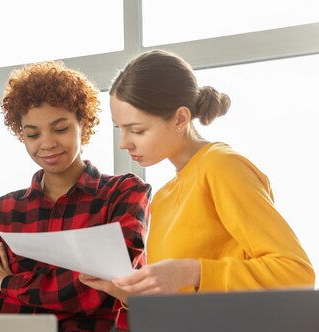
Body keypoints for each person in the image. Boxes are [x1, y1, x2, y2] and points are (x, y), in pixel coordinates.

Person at [0, 61, 151, 332]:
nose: (47, 144)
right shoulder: (5, 210)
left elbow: (110, 281)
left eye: (60, 128)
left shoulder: (123, 193)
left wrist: (11, 282)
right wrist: (70, 288)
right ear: (20, 134)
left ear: (84, 123)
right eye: (32, 134)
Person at [80, 49, 314, 298]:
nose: (123, 143)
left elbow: (296, 274)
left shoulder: (221, 166)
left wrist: (193, 272)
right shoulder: (163, 197)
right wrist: (127, 291)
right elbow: (183, 303)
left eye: (137, 130)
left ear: (180, 118)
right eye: (120, 129)